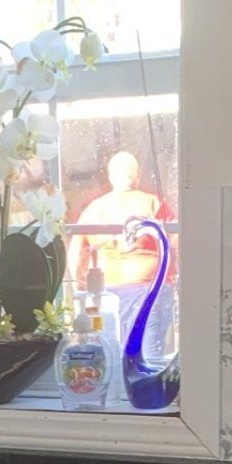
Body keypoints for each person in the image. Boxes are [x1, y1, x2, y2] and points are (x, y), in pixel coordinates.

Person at [69, 152, 176, 366]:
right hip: (146, 291)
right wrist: (171, 275)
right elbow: (175, 242)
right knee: (147, 357)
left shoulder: (95, 208)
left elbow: (75, 253)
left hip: (111, 292)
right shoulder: (152, 203)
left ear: (111, 177)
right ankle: (142, 394)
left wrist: (81, 286)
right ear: (137, 176)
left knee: (108, 352)